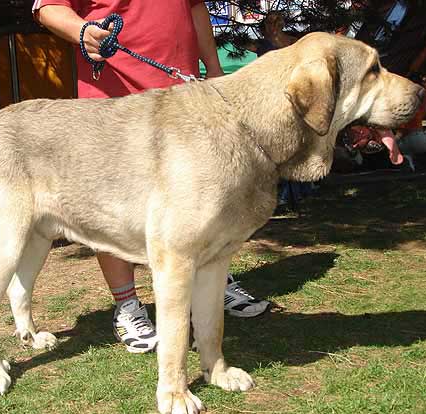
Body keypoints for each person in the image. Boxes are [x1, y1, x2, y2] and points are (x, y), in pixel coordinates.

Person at [32, 0, 270, 354]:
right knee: (108, 207)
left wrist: (215, 69)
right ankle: (127, 305)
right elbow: (48, 8)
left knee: (202, 200)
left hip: (181, 96)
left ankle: (212, 285)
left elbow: (194, 9)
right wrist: (81, 31)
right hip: (111, 103)